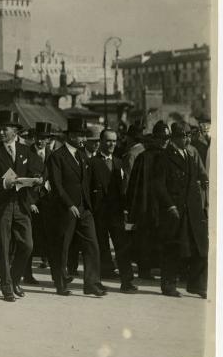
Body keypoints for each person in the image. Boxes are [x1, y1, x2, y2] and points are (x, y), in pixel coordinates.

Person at [0, 111, 42, 302]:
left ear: (15, 131)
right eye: (0, 129)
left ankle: (14, 278)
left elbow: (36, 170)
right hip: (2, 205)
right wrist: (2, 182)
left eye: (5, 129)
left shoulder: (26, 150)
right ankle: (7, 287)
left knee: (27, 245)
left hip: (22, 203)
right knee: (3, 247)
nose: (1, 132)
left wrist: (37, 179)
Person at [46, 118, 105, 297]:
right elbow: (56, 184)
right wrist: (69, 204)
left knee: (92, 244)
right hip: (66, 208)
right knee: (62, 247)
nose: (83, 140)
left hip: (84, 208)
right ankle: (61, 283)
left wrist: (87, 205)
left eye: (84, 136)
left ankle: (92, 283)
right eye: (80, 136)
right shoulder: (57, 156)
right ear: (70, 136)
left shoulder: (82, 155)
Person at [153, 122, 209, 298]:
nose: (187, 139)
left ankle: (197, 284)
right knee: (173, 248)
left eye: (188, 136)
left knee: (201, 246)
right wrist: (169, 205)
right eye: (183, 136)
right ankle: (168, 285)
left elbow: (194, 183)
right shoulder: (164, 157)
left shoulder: (190, 155)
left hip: (192, 210)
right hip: (175, 210)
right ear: (175, 138)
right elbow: (158, 185)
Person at [87, 128, 137, 293]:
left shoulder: (118, 162)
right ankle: (97, 281)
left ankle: (127, 282)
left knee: (122, 247)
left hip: (115, 212)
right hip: (99, 212)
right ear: (101, 141)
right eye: (108, 141)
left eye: (114, 141)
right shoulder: (92, 163)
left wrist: (125, 209)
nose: (111, 144)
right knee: (100, 248)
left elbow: (123, 188)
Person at [126, 121, 171, 280]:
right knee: (146, 238)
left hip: (157, 205)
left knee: (154, 238)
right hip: (147, 205)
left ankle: (149, 268)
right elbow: (134, 184)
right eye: (161, 137)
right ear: (155, 138)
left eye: (167, 137)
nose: (165, 140)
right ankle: (145, 269)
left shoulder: (163, 156)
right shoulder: (144, 157)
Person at [24, 122, 54, 285]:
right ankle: (27, 274)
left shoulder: (53, 154)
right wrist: (29, 202)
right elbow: (18, 179)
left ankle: (58, 276)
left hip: (48, 204)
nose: (41, 141)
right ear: (34, 138)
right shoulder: (25, 153)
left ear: (49, 140)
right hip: (31, 203)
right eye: (38, 138)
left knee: (50, 239)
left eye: (44, 138)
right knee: (29, 241)